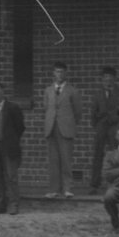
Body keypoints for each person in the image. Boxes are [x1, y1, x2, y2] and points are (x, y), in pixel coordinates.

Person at [42, 60, 84, 197]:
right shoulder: (48, 91)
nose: (59, 74)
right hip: (51, 127)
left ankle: (67, 188)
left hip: (65, 128)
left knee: (66, 159)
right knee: (53, 160)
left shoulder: (72, 91)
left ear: (66, 73)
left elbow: (77, 112)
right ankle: (54, 189)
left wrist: (69, 123)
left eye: (62, 71)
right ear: (53, 73)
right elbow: (45, 108)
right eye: (57, 71)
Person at [0, 80, 25, 213]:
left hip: (8, 147)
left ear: (2, 92)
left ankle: (13, 204)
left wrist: (11, 140)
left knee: (11, 176)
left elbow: (20, 128)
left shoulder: (12, 108)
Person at [88, 65, 119, 193]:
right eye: (105, 78)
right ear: (102, 79)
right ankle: (94, 184)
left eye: (110, 78)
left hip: (115, 126)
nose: (107, 80)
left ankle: (115, 183)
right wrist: (97, 125)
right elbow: (93, 112)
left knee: (115, 155)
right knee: (98, 154)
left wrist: (116, 121)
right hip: (101, 126)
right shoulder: (98, 94)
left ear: (114, 79)